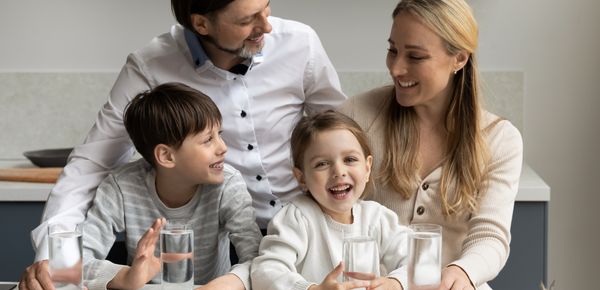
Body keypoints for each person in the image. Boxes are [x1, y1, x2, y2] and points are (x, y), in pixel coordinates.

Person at [21, 0, 345, 289]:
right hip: (224, 246)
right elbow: (92, 166)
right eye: (247, 19)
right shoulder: (150, 66)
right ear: (201, 23)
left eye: (267, 7)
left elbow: (340, 137)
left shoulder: (301, 43)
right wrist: (56, 267)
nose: (267, 26)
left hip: (303, 233)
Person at [337, 1, 523, 290]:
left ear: (459, 59)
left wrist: (462, 271)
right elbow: (324, 215)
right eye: (393, 50)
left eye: (416, 56)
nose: (396, 68)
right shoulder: (355, 117)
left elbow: (490, 236)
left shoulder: (500, 139)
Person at [80, 83, 262, 290]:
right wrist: (128, 277)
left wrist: (230, 283)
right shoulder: (122, 186)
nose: (223, 147)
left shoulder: (228, 185)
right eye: (208, 140)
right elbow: (76, 261)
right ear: (166, 156)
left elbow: (258, 258)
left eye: (219, 134)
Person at [251, 110, 410, 290]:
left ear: (367, 169)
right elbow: (265, 272)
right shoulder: (296, 218)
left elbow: (416, 260)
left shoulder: (377, 217)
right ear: (302, 178)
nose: (339, 171)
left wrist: (396, 283)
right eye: (322, 164)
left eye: (349, 159)